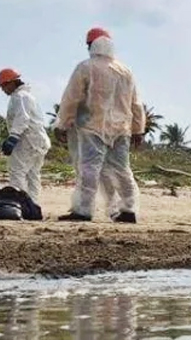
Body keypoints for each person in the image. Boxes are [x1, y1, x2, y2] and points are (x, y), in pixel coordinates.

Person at [54, 27, 146, 223]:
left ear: (91, 45)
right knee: (122, 170)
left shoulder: (85, 67)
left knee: (89, 168)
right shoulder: (125, 71)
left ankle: (83, 210)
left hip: (92, 126)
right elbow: (136, 103)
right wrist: (138, 130)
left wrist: (63, 123)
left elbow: (72, 97)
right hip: (121, 129)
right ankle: (129, 209)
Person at [0, 68, 52, 204]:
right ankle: (32, 205)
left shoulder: (19, 97)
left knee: (17, 171)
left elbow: (22, 118)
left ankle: (19, 204)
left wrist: (13, 137)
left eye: (4, 86)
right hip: (39, 141)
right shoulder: (27, 96)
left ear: (11, 83)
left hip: (28, 141)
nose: (3, 90)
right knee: (33, 175)